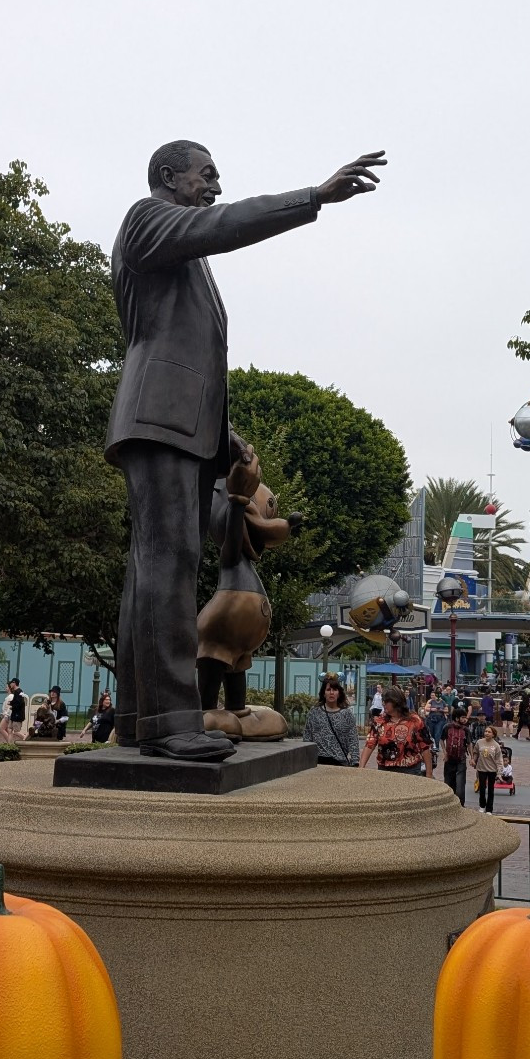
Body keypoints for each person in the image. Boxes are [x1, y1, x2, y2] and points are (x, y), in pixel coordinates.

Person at [108, 140, 385, 763]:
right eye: (205, 173)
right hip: (158, 418)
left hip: (176, 421)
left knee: (152, 569)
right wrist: (313, 197)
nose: (215, 184)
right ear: (166, 177)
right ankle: (168, 722)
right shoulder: (147, 218)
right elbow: (226, 225)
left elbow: (187, 348)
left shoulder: (176, 251)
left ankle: (140, 718)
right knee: (167, 566)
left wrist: (223, 432)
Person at [360, 689, 432, 776]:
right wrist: (361, 768)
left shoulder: (415, 721)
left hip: (410, 771)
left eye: (386, 701)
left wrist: (429, 774)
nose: (383, 704)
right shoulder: (379, 721)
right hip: (385, 770)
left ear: (396, 702)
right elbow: (369, 744)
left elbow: (425, 747)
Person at [304, 674, 359, 766]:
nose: (331, 692)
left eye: (334, 690)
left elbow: (353, 740)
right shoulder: (314, 712)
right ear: (324, 693)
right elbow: (307, 737)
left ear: (339, 693)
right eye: (328, 690)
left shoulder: (346, 714)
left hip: (339, 762)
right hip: (318, 762)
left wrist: (355, 762)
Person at [441, 703, 471, 804]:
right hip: (449, 760)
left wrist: (471, 757)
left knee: (460, 785)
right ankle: (448, 805)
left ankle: (460, 806)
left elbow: (469, 743)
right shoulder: (447, 727)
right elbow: (441, 740)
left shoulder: (466, 730)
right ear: (457, 718)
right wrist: (445, 753)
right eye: (463, 717)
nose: (465, 719)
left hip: (461, 760)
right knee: (448, 784)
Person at [475, 724, 505, 810]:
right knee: (482, 789)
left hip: (492, 770)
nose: (487, 733)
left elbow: (499, 760)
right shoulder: (479, 742)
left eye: (489, 732)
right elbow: (475, 752)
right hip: (481, 768)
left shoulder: (496, 745)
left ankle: (489, 809)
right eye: (486, 731)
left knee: (491, 790)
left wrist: (499, 773)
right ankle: (482, 806)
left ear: (493, 734)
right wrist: (473, 760)